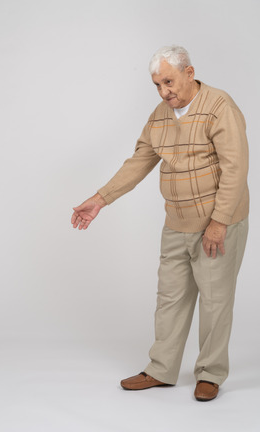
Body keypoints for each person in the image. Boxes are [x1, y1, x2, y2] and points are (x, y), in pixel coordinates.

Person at [71, 45, 249, 401]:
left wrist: (219, 222)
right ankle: (161, 369)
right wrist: (100, 198)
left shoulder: (219, 107)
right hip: (176, 224)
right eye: (157, 84)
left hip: (217, 224)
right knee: (169, 298)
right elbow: (139, 161)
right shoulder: (160, 115)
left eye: (168, 81)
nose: (164, 91)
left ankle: (210, 374)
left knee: (215, 301)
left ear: (189, 72)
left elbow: (235, 168)